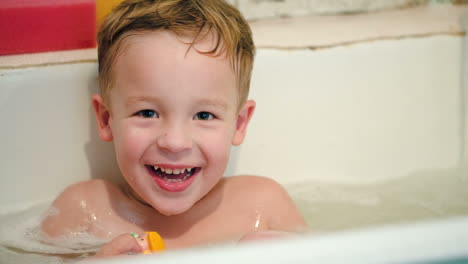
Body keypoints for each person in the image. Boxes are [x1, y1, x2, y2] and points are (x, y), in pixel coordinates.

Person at [40, 0, 307, 257]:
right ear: (106, 118)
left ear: (239, 124)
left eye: (204, 115)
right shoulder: (83, 211)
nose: (175, 142)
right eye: (147, 113)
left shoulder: (263, 206)